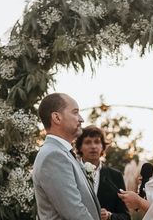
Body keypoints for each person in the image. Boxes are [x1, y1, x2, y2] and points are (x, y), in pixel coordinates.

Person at [32, 92, 102, 220]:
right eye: (75, 112)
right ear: (57, 118)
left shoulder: (62, 153)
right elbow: (75, 213)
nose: (81, 119)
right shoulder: (53, 156)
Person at [75, 126, 130, 220]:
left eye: (97, 142)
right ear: (80, 147)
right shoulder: (71, 171)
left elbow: (126, 217)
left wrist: (110, 216)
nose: (93, 146)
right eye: (88, 142)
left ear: (102, 146)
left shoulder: (115, 176)